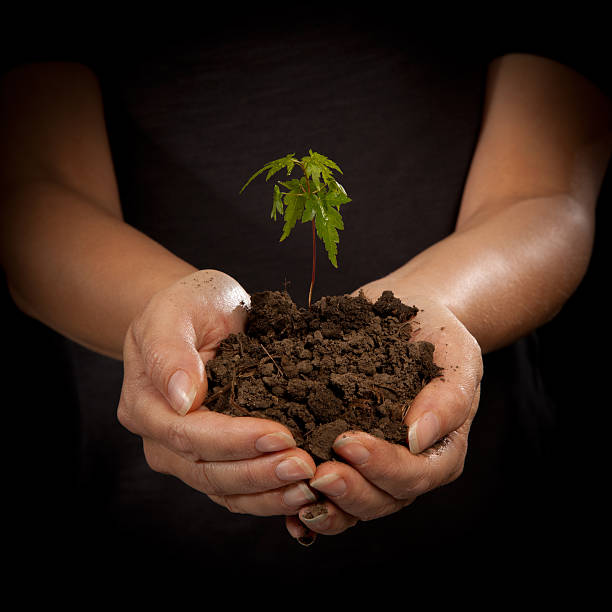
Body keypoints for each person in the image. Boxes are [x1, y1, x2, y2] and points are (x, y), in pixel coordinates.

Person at [2, 14, 610, 579]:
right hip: (147, 524)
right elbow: (32, 197)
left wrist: (429, 301)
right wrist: (159, 314)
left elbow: (544, 192)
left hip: (487, 520)